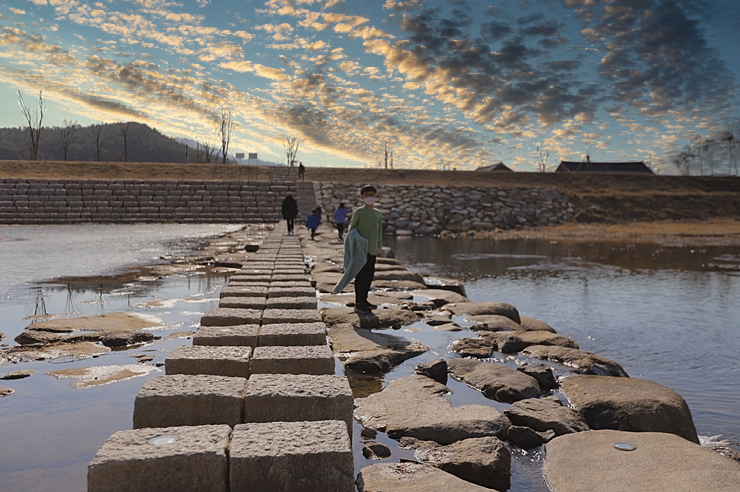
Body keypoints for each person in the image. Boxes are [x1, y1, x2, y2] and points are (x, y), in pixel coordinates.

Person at [347, 185, 383, 313]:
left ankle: (365, 300)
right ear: (362, 197)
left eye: (372, 195)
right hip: (360, 250)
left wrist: (379, 246)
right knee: (360, 276)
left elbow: (379, 232)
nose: (370, 198)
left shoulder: (377, 213)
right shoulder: (359, 212)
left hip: (372, 249)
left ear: (376, 197)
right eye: (367, 195)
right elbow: (352, 229)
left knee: (369, 275)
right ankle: (358, 302)